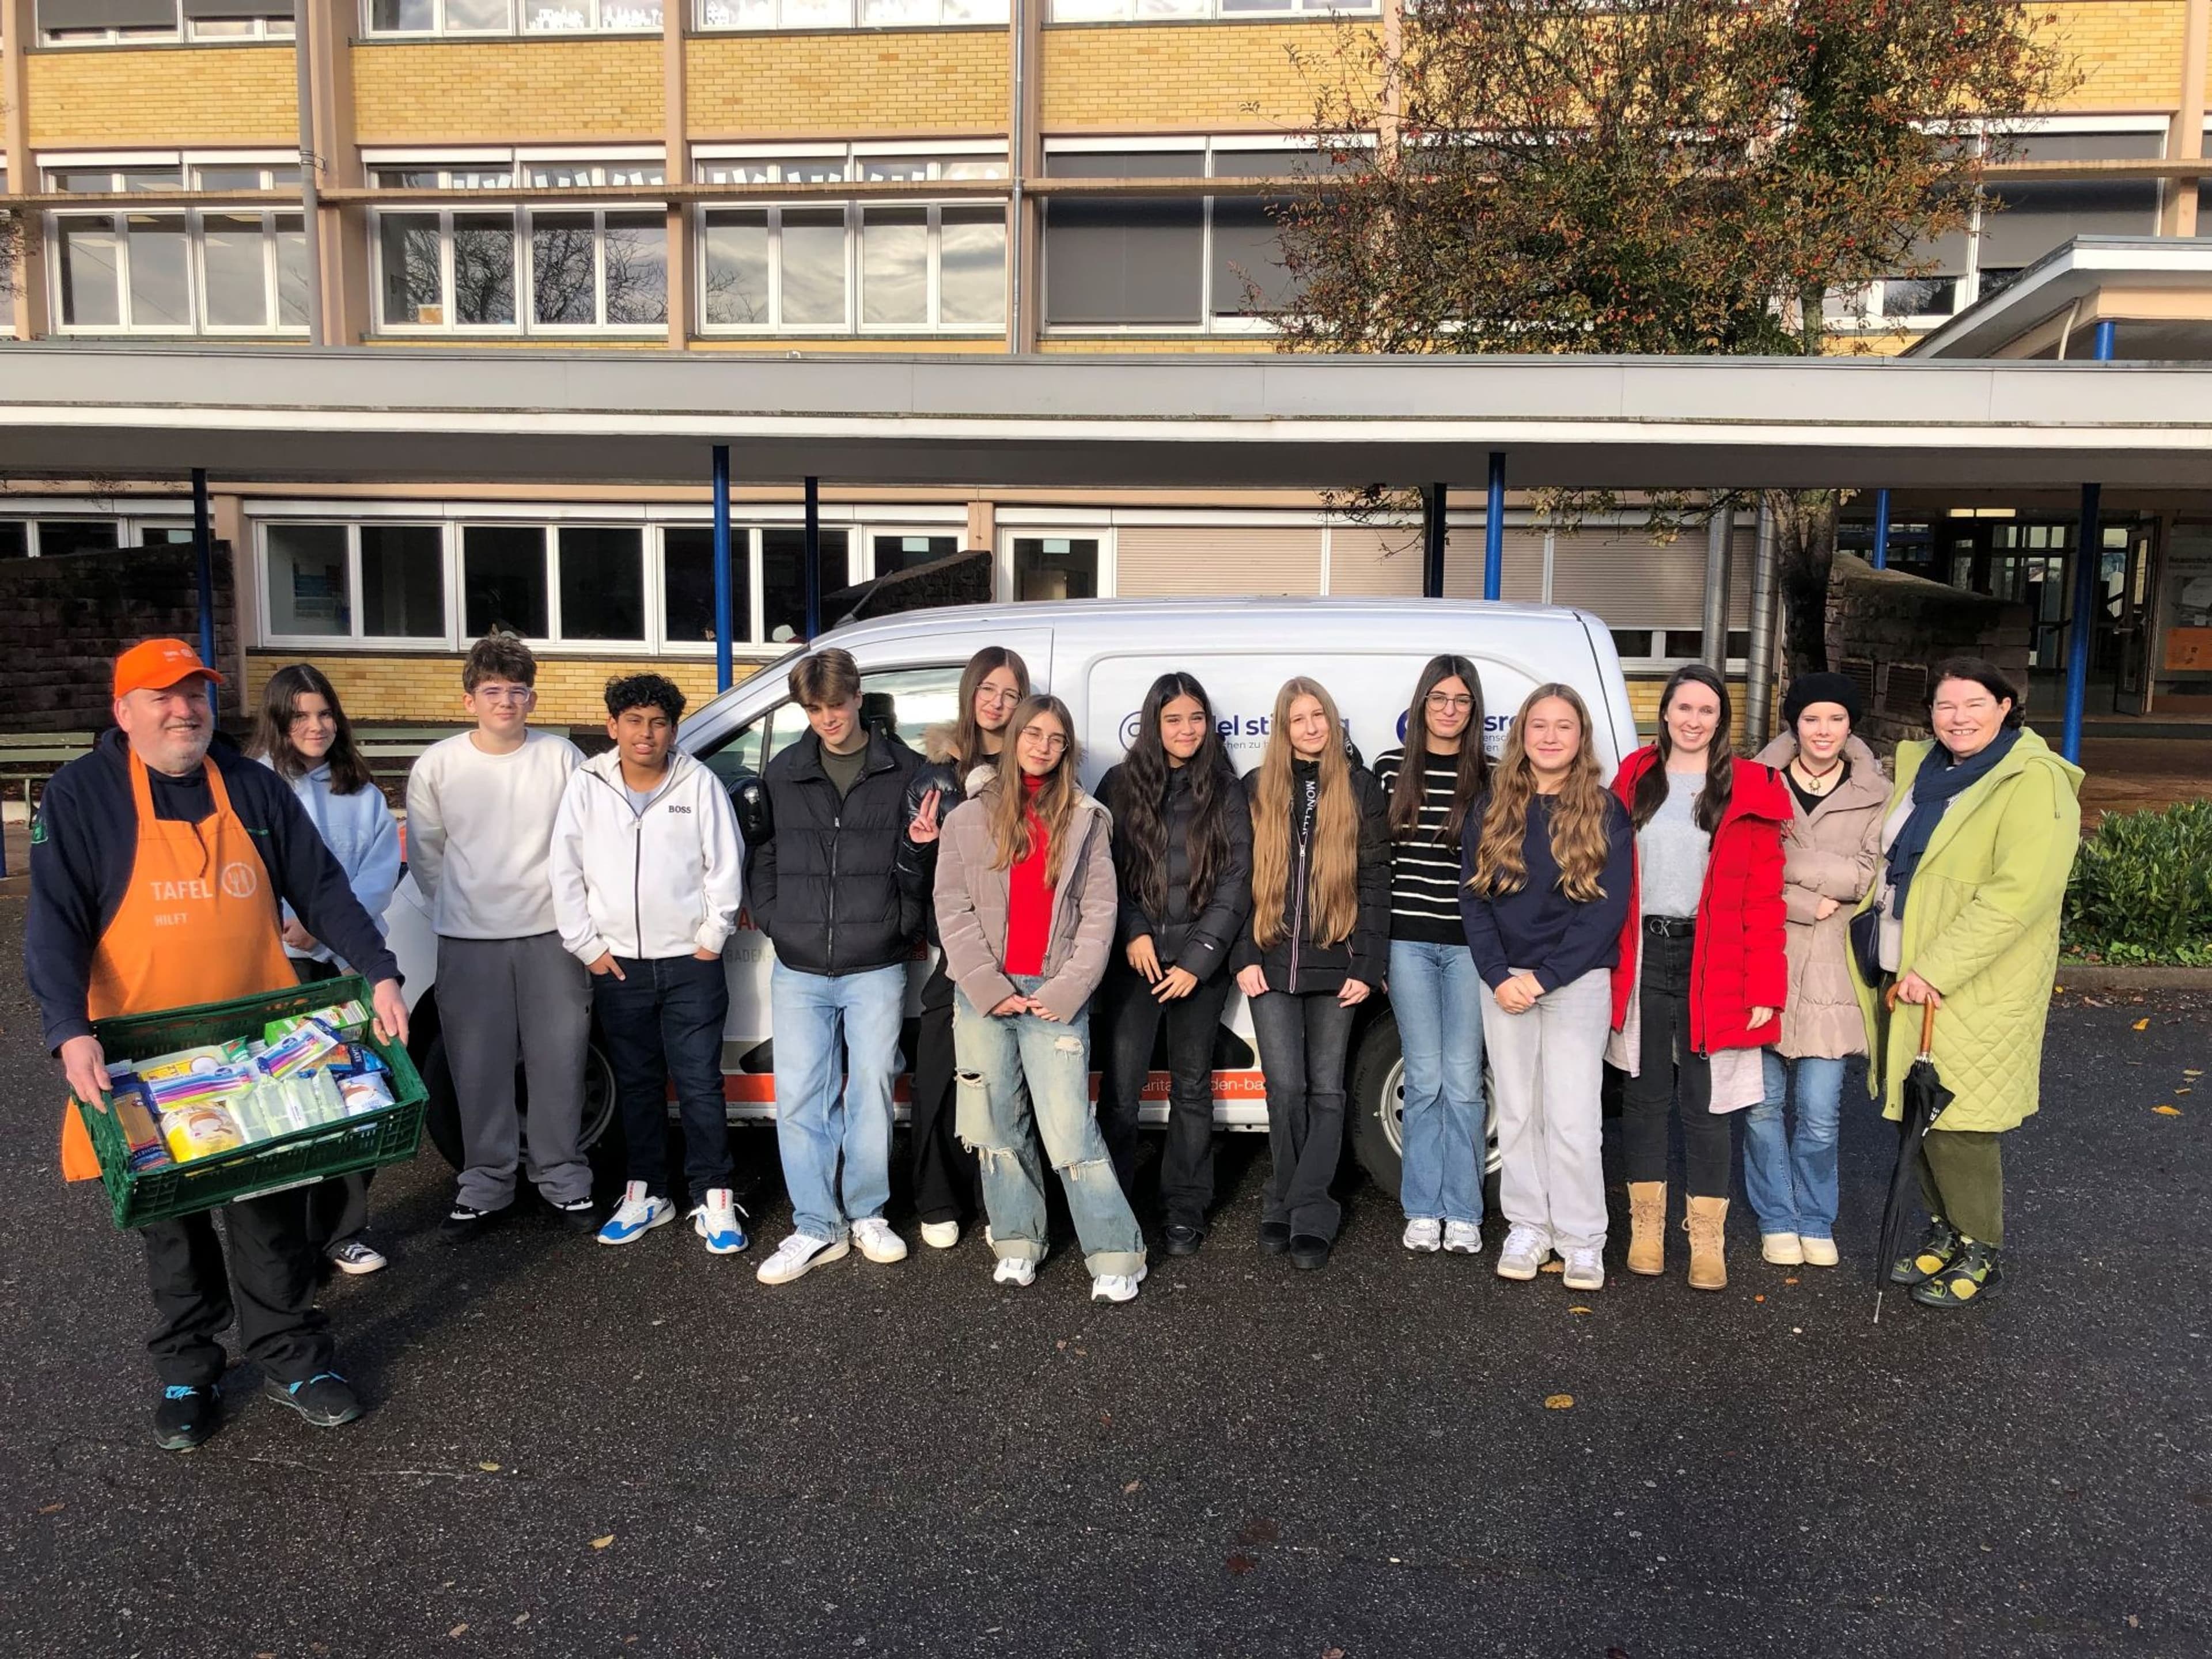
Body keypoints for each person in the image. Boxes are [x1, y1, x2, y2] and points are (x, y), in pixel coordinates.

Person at [27, 639, 408, 1450]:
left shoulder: (251, 786)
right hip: (139, 1055)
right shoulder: (81, 797)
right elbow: (53, 926)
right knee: (173, 1220)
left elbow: (322, 887)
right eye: (163, 697)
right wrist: (68, 1034)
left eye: (195, 694)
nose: (184, 710)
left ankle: (292, 1355)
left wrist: (378, 971)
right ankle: (188, 1365)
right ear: (123, 712)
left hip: (252, 1049)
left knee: (270, 1202)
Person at [1852, 658, 2081, 1309]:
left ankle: (1982, 1246)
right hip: (1902, 968)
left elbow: (2019, 895)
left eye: (1974, 704)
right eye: (1946, 706)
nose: (1958, 718)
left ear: (2006, 707)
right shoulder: (1923, 768)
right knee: (1913, 1111)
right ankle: (1946, 1230)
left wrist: (1937, 969)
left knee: (1960, 1119)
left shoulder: (2033, 782)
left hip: (1968, 979)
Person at [934, 694, 1147, 1303]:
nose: (1043, 746)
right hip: (984, 996)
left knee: (1068, 1128)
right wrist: (985, 986)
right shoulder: (967, 818)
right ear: (1015, 738)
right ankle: (1018, 1242)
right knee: (996, 1126)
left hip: (1054, 995)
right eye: (1034, 734)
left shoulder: (1086, 818)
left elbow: (1101, 912)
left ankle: (1114, 1252)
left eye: (1056, 738)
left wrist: (1069, 987)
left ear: (1067, 749)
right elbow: (952, 906)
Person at [550, 673, 747, 1257]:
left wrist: (712, 937)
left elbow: (725, 865)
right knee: (637, 1085)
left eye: (658, 722)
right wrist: (587, 946)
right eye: (633, 721)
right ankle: (647, 1192)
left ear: (674, 729)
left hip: (691, 964)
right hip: (620, 967)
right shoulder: (587, 784)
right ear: (612, 728)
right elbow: (565, 870)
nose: (646, 733)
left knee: (700, 1085)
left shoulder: (699, 782)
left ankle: (713, 1194)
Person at [1607, 664, 1789, 1293]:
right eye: (1683, 708)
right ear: (1665, 714)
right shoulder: (1634, 776)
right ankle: (1647, 1230)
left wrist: (1767, 988)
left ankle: (1707, 1240)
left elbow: (1765, 899)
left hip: (1716, 962)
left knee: (1706, 1103)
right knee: (1644, 1094)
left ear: (1721, 719)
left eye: (1706, 711)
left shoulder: (1752, 787)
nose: (1693, 720)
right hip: (1646, 956)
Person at [747, 646, 923, 1286]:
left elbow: (921, 862)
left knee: (871, 1091)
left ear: (858, 697)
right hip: (799, 966)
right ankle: (817, 1226)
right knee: (800, 1099)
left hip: (875, 962)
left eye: (837, 705)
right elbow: (762, 854)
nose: (828, 719)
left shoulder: (907, 770)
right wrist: (773, 918)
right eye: (814, 709)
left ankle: (868, 1214)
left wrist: (904, 926)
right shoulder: (783, 771)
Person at [407, 635, 592, 1238]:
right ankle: (485, 1183)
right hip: (469, 937)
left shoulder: (561, 757)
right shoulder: (438, 765)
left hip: (552, 934)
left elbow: (581, 841)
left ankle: (563, 1178)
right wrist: (462, 906)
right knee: (477, 1068)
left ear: (532, 698)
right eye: (492, 692)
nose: (505, 703)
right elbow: (428, 852)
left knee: (559, 1062)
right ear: (469, 701)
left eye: (516, 692)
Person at [1460, 685, 1632, 1292]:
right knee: (1517, 1110)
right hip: (1505, 984)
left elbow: (1605, 912)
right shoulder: (1492, 808)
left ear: (1581, 737)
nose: (1551, 736)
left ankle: (1583, 1240)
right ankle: (1529, 1227)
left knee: (1574, 1117)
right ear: (1522, 734)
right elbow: (1473, 901)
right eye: (1540, 725)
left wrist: (1545, 977)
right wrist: (1499, 976)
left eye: (1564, 726)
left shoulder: (1606, 811)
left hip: (1576, 983)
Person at [247, 663, 402, 1278]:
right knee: (288, 1099)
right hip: (277, 965)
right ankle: (288, 1244)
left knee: (357, 1092)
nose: (316, 726)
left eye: (324, 713)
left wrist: (325, 924)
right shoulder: (254, 783)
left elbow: (377, 872)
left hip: (343, 964)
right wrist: (289, 922)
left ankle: (344, 1231)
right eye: (301, 716)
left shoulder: (358, 792)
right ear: (278, 721)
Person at [1233, 677, 1390, 1272]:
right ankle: (1286, 1194)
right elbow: (1238, 881)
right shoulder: (1257, 790)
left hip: (1338, 961)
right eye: (1299, 719)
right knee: (1286, 1090)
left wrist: (1369, 964)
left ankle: (1308, 1207)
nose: (1311, 727)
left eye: (1318, 715)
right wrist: (1244, 955)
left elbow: (1377, 881)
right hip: (1270, 962)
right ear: (1283, 728)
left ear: (1332, 721)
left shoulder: (1360, 788)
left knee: (1327, 1091)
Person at [1096, 672, 1253, 1255]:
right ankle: (1109, 1205)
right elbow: (1107, 870)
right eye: (1173, 719)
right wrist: (1134, 934)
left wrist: (1198, 958)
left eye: (1195, 718)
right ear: (1153, 724)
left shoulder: (1225, 789)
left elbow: (1239, 879)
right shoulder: (1120, 784)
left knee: (1191, 1087)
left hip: (1197, 967)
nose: (1186, 730)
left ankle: (1184, 1206)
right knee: (1121, 1091)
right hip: (1134, 965)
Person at [1745, 673, 1888, 1268]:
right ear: (1793, 724)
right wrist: (1803, 899)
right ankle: (1777, 1218)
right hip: (1764, 957)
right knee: (1760, 1109)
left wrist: (1793, 868)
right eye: (1810, 719)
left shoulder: (1878, 792)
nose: (1823, 730)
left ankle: (1815, 1217)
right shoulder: (1756, 782)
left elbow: (1874, 875)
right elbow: (1745, 868)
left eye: (1834, 719)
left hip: (1833, 972)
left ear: (1850, 724)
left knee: (1821, 1113)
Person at [897, 646, 1030, 1249]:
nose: (998, 703)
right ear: (970, 694)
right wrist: (922, 848)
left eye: (1010, 692)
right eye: (988, 691)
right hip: (959, 950)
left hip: (1026, 946)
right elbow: (911, 881)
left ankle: (1000, 1199)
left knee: (1008, 1085)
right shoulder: (935, 775)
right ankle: (938, 1199)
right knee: (940, 1078)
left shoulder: (1042, 765)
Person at [1370, 654, 1490, 1257]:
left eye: (1461, 700)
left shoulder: (1492, 777)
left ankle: (1463, 1210)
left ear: (1473, 710)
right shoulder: (1392, 771)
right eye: (1439, 698)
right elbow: (1378, 868)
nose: (1449, 709)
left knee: (1465, 1082)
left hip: (1470, 949)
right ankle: (1423, 1209)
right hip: (1407, 946)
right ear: (1421, 705)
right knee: (1423, 1080)